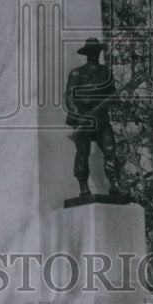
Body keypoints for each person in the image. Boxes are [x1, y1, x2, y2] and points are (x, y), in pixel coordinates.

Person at [64, 37, 121, 197]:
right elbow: (69, 97)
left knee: (111, 150)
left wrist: (115, 98)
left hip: (102, 119)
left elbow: (112, 93)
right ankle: (83, 186)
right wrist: (79, 115)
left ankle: (114, 183)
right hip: (84, 117)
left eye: (97, 51)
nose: (95, 54)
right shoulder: (78, 73)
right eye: (92, 51)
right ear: (87, 53)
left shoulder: (106, 72)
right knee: (83, 153)